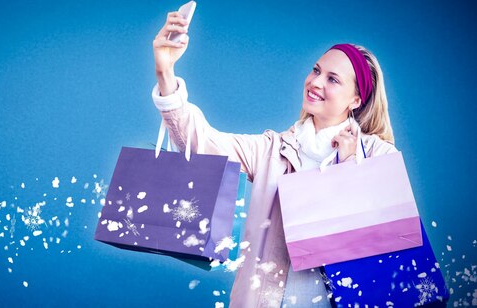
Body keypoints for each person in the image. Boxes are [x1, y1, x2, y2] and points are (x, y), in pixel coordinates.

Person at [151, 11, 398, 308]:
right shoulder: (271, 150)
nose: (315, 82)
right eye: (316, 70)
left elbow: (383, 240)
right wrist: (165, 71)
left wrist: (347, 167)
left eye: (332, 79)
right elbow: (200, 141)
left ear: (355, 100)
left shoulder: (379, 155)